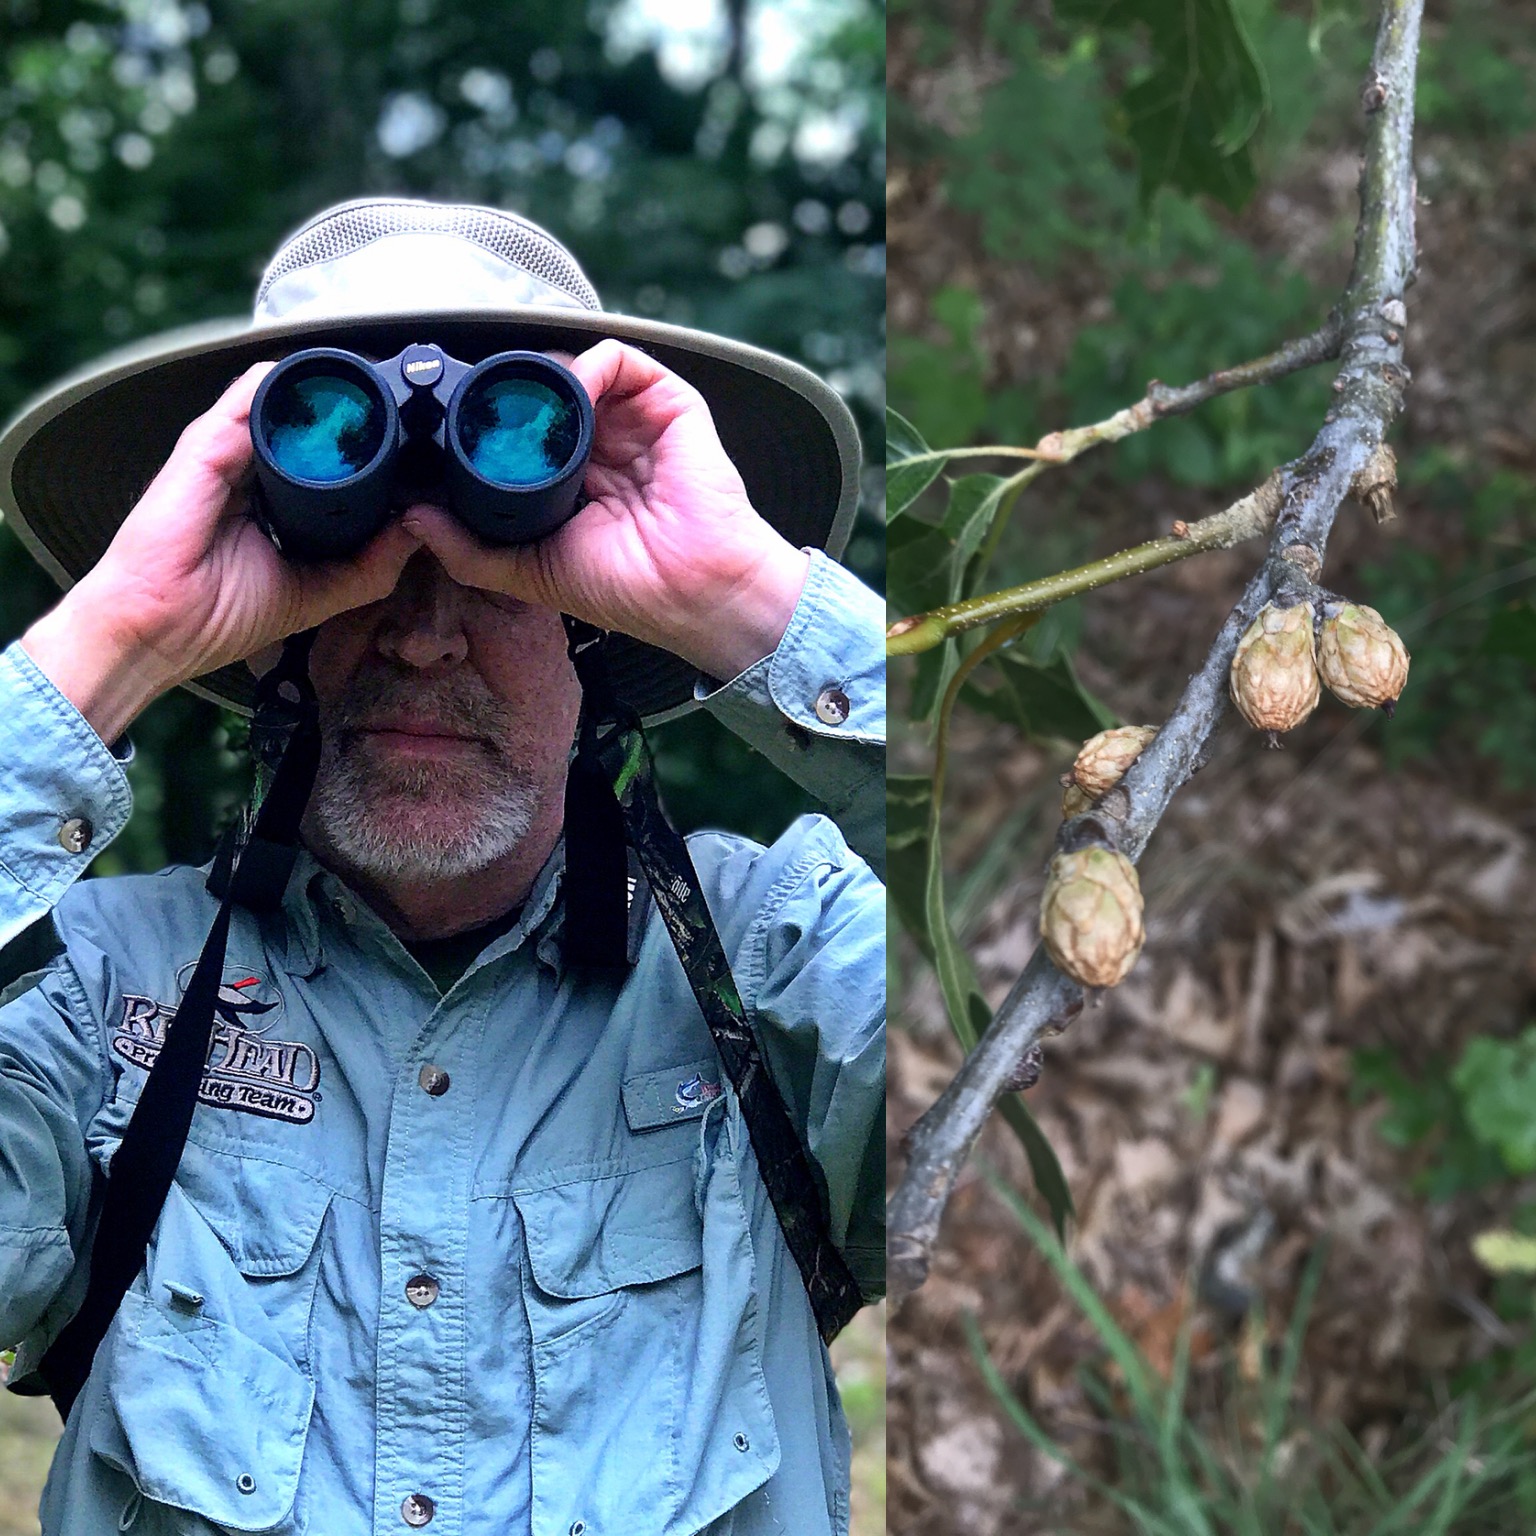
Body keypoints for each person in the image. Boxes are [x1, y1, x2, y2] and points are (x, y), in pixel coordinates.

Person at [0, 198, 883, 1535]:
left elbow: (1134, 965)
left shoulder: (781, 962)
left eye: (505, 570)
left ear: (600, 627)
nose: (419, 639)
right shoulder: (92, 998)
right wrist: (120, 631)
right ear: (269, 638)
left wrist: (746, 595)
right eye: (355, 570)